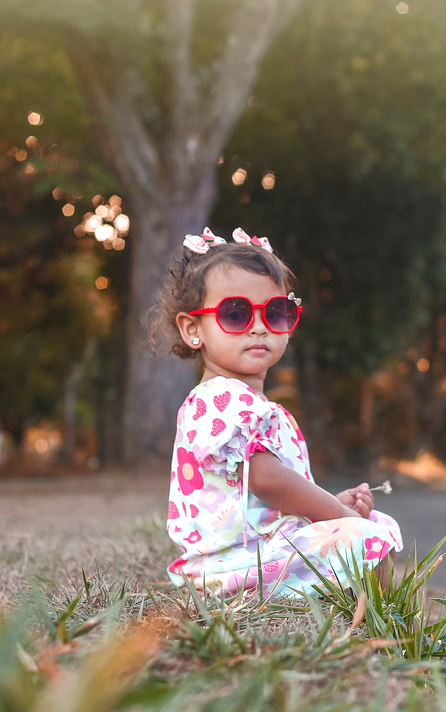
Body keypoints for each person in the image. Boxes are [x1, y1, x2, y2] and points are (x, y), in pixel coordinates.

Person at [147, 227, 403, 597]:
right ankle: (384, 620)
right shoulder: (221, 400)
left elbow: (266, 499)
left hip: (257, 552)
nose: (258, 327)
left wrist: (328, 506)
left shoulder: (243, 403)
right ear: (192, 329)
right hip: (236, 565)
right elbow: (266, 480)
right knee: (366, 534)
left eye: (274, 312)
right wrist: (337, 513)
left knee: (370, 525)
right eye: (235, 314)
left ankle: (365, 612)